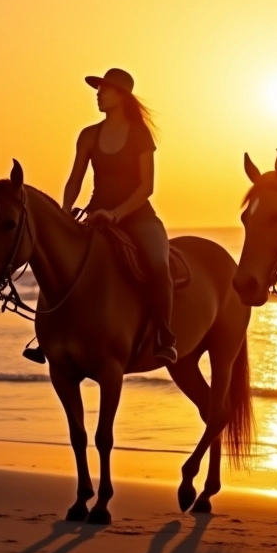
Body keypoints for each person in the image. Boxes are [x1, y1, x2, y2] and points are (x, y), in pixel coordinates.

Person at [62, 67, 177, 365]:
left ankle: (165, 335)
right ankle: (50, 333)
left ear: (121, 96)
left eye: (105, 89)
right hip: (96, 214)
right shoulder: (88, 135)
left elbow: (146, 187)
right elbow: (75, 178)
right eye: (98, 89)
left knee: (157, 263)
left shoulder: (140, 134)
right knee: (62, 260)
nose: (98, 94)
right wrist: (65, 211)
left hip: (138, 217)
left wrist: (115, 214)